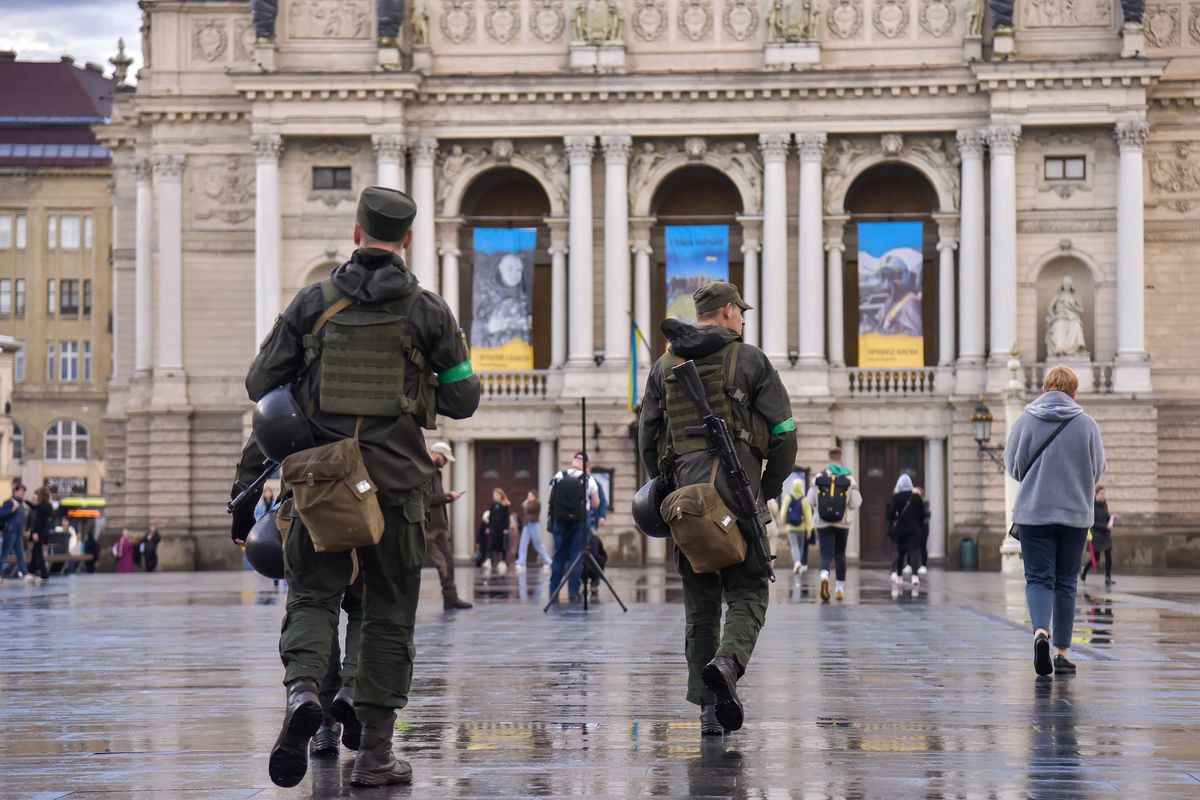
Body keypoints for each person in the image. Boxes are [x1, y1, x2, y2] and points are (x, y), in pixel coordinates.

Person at [229, 186, 480, 788]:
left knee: (313, 598)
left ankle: (303, 696)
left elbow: (260, 382)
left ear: (356, 233)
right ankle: (374, 754)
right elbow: (462, 399)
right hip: (395, 486)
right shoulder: (429, 310)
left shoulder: (312, 302)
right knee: (387, 611)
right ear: (408, 241)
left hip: (321, 483)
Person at [638, 281, 797, 736]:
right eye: (741, 312)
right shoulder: (750, 360)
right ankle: (728, 663)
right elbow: (784, 432)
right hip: (738, 495)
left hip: (686, 502)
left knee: (700, 606)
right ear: (727, 311)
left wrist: (670, 489)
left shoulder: (664, 365)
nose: (744, 319)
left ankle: (707, 710)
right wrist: (767, 486)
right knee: (749, 590)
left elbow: (647, 438)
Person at [1006, 365, 1106, 677]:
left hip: (1034, 513)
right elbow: (1098, 468)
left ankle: (1040, 634)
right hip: (1074, 515)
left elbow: (1012, 466)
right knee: (1066, 580)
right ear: (1074, 392)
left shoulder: (1025, 421)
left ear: (1046, 388)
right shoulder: (1087, 424)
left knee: (1038, 579)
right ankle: (1062, 653)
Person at [807, 448, 862, 603]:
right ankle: (839, 588)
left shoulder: (819, 477)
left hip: (822, 522)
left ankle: (824, 575)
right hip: (842, 522)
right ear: (841, 459)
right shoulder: (850, 479)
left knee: (825, 554)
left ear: (828, 460)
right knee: (840, 554)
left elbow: (810, 500)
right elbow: (856, 502)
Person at [547, 452, 601, 602]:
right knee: (577, 556)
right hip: (580, 521)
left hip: (560, 520)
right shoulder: (589, 479)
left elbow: (551, 497)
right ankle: (573, 593)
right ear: (586, 465)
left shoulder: (559, 475)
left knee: (559, 556)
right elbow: (596, 503)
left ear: (573, 462)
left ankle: (554, 592)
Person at [426, 442, 471, 609]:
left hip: (437, 526)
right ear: (437, 455)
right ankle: (450, 598)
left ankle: (451, 598)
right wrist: (447, 497)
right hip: (431, 527)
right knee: (444, 562)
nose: (445, 463)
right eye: (445, 459)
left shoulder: (434, 472)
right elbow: (427, 498)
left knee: (447, 562)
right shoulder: (427, 471)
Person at [886, 474, 925, 588]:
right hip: (914, 529)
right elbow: (922, 514)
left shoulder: (897, 497)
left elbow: (891, 513)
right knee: (914, 552)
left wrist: (894, 520)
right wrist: (919, 524)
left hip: (901, 529)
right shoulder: (916, 497)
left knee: (901, 552)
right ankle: (914, 576)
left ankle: (899, 576)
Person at [1081, 487, 1115, 585]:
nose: (1103, 496)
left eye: (1104, 493)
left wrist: (1111, 520)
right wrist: (1105, 526)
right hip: (1096, 534)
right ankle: (1084, 571)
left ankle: (1108, 578)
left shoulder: (1105, 504)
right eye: (1101, 494)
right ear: (1096, 494)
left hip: (1105, 535)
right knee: (1095, 557)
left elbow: (1106, 516)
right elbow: (1092, 522)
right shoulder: (1092, 506)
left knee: (1108, 555)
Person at [779, 481, 814, 575]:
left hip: (791, 527)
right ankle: (800, 563)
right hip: (801, 528)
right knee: (800, 547)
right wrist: (809, 529)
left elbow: (783, 512)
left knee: (794, 545)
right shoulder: (804, 500)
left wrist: (783, 523)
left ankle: (797, 562)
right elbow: (808, 516)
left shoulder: (788, 498)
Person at [0, 484, 30, 581]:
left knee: (20, 554)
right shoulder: (9, 502)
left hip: (18, 534)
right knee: (4, 553)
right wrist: (12, 509)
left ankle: (25, 574)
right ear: (15, 492)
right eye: (21, 491)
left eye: (24, 492)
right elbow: (1, 514)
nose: (23, 494)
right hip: (10, 532)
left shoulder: (21, 504)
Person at [515, 489, 551, 572]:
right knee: (523, 544)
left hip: (534, 525)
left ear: (535, 496)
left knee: (537, 544)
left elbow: (529, 509)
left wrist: (526, 504)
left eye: (530, 495)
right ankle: (521, 562)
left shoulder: (537, 503)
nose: (529, 497)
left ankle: (548, 560)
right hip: (527, 525)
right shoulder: (529, 504)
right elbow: (523, 511)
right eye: (528, 495)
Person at [26, 486, 54, 582]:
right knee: (35, 552)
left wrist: (35, 532)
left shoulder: (41, 506)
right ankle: (31, 571)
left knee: (38, 553)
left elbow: (37, 520)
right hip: (44, 532)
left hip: (39, 532)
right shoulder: (48, 506)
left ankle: (44, 574)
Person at [482, 488, 513, 575]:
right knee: (490, 544)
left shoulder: (505, 505)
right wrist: (488, 527)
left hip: (502, 528)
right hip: (493, 527)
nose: (494, 497)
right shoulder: (492, 505)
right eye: (494, 495)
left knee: (502, 545)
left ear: (500, 495)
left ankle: (503, 561)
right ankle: (488, 560)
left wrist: (506, 528)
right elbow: (490, 517)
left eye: (496, 495)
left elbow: (506, 518)